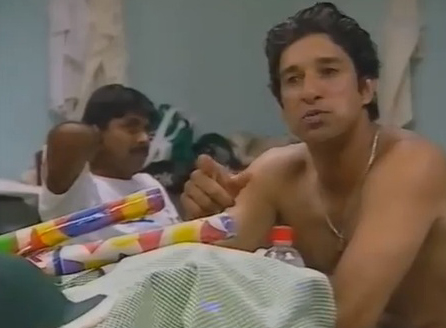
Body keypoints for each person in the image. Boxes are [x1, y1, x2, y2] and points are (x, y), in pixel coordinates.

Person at [181, 3, 446, 328]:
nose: (309, 92)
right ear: (281, 103)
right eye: (293, 79)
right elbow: (205, 272)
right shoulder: (275, 172)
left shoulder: (411, 165)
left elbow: (348, 317)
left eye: (329, 72)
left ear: (366, 89)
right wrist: (201, 216)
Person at [39, 84, 179, 240]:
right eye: (131, 128)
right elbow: (70, 134)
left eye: (147, 130)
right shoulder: (77, 189)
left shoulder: (149, 183)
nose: (144, 139)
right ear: (96, 134)